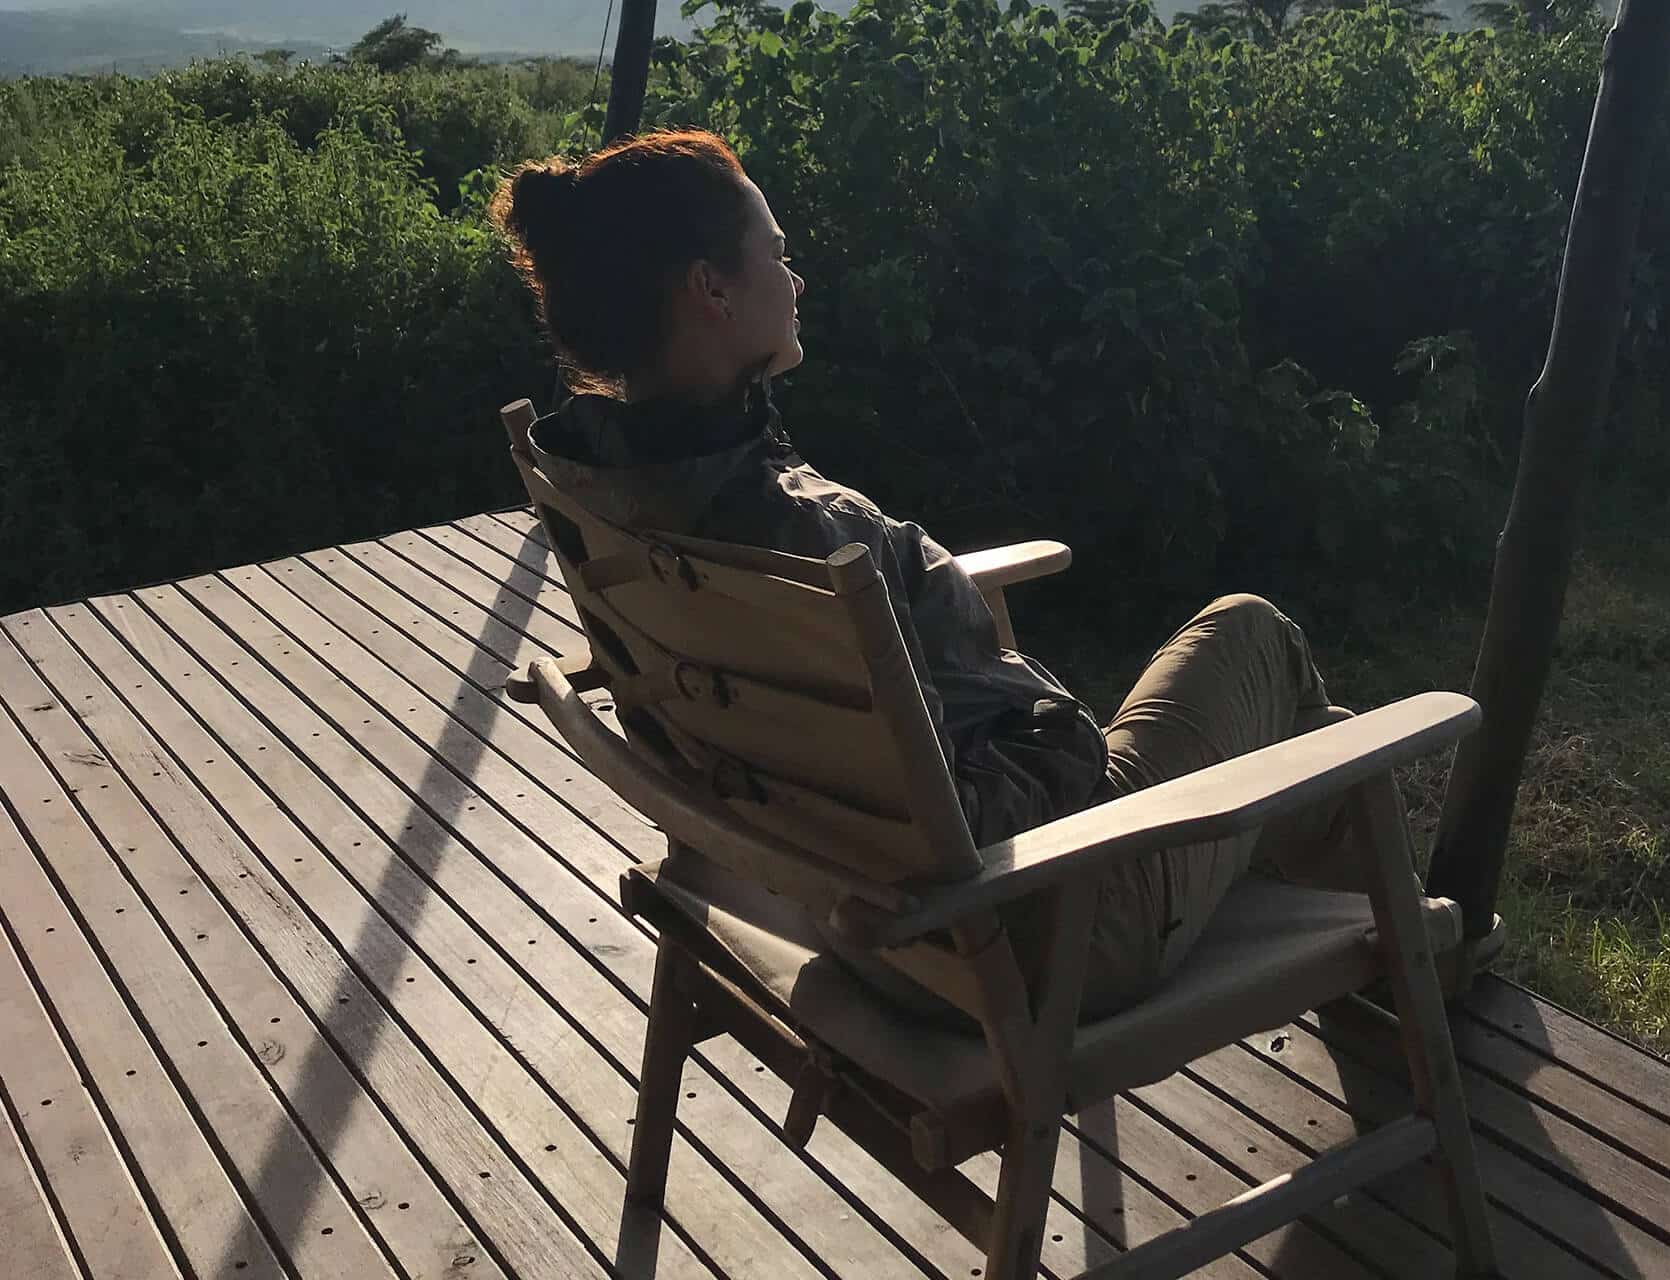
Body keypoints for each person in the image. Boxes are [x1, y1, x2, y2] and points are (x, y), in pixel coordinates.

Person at [491, 129, 1354, 1022]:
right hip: (1035, 931)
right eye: (777, 257)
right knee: (1255, 636)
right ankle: (1420, 950)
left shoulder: (615, 496)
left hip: (833, 921)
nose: (796, 282)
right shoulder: (813, 545)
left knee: (1309, 739)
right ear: (711, 289)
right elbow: (968, 827)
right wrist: (1062, 736)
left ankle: (1386, 924)